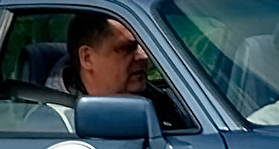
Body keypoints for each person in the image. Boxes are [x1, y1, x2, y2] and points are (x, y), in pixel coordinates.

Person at [46, 12, 185, 127]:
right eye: (126, 48)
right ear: (87, 58)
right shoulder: (56, 123)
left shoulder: (167, 101)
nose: (144, 56)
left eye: (144, 45)